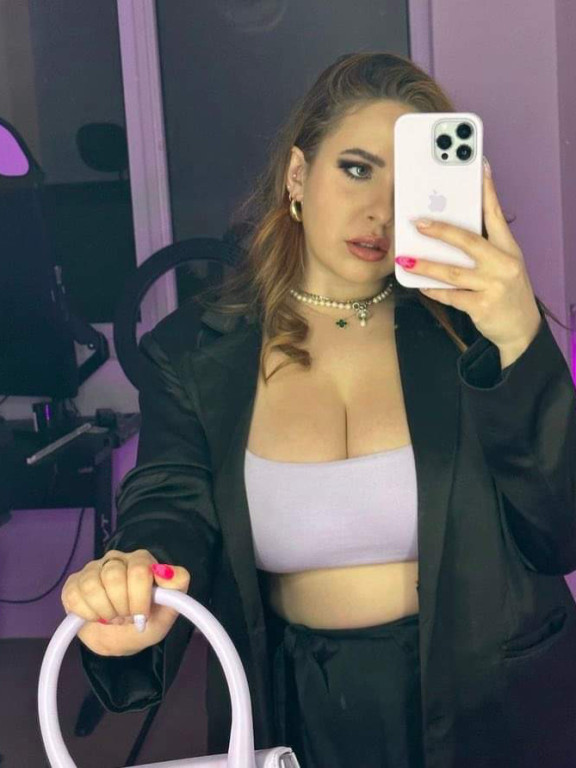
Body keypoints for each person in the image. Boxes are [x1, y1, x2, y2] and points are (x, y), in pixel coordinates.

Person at [61, 52, 576, 768]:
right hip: (296, 710)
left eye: (408, 185)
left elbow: (559, 530)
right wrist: (136, 580)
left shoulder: (475, 329)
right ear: (298, 175)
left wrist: (520, 338)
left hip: (489, 705)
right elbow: (170, 508)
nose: (380, 213)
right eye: (358, 169)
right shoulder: (196, 351)